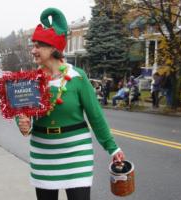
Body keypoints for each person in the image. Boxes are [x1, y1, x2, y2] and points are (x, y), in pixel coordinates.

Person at [17, 8, 125, 200]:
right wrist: (22, 124)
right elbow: (23, 114)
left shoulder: (77, 77)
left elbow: (95, 116)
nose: (33, 50)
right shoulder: (31, 80)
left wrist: (113, 148)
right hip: (43, 155)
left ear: (52, 49)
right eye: (33, 45)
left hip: (76, 155)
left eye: (38, 45)